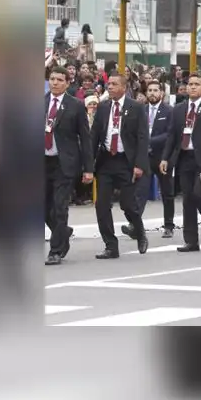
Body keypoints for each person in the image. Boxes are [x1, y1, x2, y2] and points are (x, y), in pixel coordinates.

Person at [160, 74, 201, 252]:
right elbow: (172, 136)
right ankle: (191, 241)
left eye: (197, 84)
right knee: (188, 199)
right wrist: (165, 158)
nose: (193, 87)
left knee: (200, 194)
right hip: (184, 158)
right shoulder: (179, 109)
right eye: (190, 84)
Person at [91, 74, 150, 259]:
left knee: (127, 204)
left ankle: (139, 231)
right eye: (108, 84)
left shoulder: (136, 108)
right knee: (101, 205)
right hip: (106, 161)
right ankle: (110, 245)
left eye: (114, 84)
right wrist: (87, 164)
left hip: (127, 162)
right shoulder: (103, 108)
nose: (109, 87)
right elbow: (94, 136)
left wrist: (139, 164)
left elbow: (142, 138)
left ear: (124, 88)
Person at [44, 66, 94, 266]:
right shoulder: (41, 102)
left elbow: (85, 138)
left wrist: (88, 168)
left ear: (67, 82)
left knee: (59, 206)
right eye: (52, 79)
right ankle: (63, 231)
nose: (55, 82)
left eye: (59, 79)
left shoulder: (75, 106)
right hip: (42, 161)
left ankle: (56, 250)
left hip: (64, 163)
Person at [130, 80, 175, 239]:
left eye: (156, 90)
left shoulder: (169, 111)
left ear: (161, 93)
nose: (152, 93)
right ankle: (135, 225)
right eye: (149, 90)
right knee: (140, 191)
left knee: (167, 193)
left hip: (162, 157)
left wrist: (148, 140)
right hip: (144, 158)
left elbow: (170, 134)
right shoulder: (140, 110)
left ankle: (169, 225)